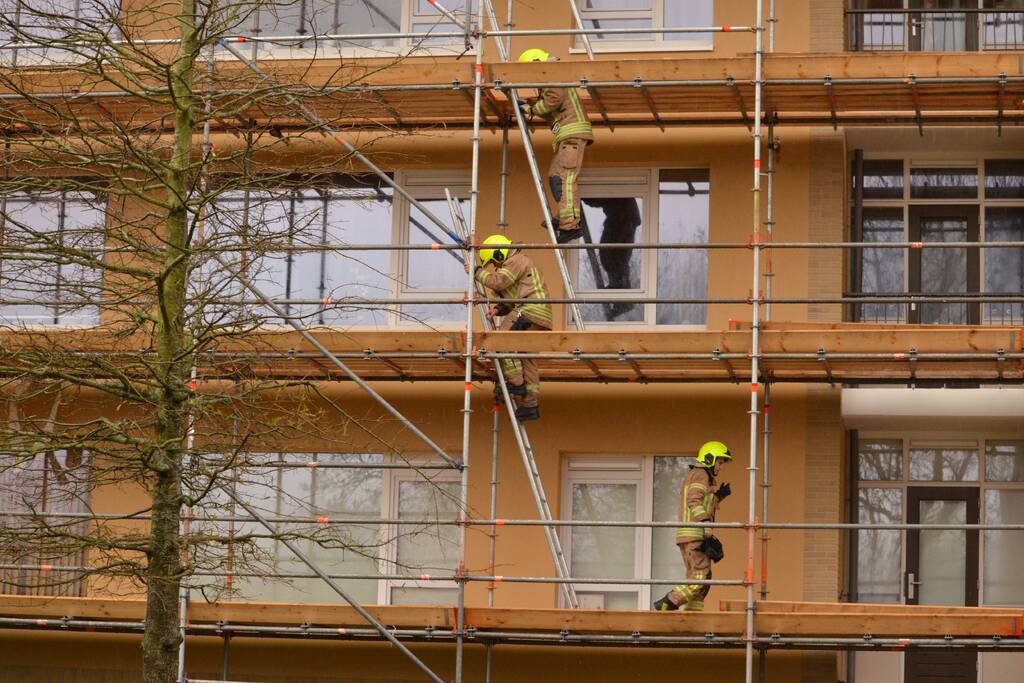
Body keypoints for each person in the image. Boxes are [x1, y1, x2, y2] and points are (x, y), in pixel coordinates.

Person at [517, 48, 595, 245]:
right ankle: (565, 217)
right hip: (567, 136)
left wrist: (531, 109)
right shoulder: (551, 77)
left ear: (537, 63)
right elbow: (551, 104)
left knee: (564, 179)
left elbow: (553, 99)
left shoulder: (551, 72)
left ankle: (571, 225)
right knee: (555, 176)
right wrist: (530, 104)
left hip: (572, 135)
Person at [475, 234, 553, 422]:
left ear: (499, 253)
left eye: (494, 262)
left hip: (529, 311)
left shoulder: (516, 260)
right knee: (528, 359)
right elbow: (512, 294)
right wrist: (499, 309)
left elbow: (498, 282)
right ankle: (531, 405)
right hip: (540, 316)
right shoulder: (519, 263)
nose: (495, 266)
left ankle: (516, 382)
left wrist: (477, 272)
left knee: (500, 341)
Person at [653, 441, 732, 612]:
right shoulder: (700, 474)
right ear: (709, 459)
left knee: (701, 583)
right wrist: (706, 523)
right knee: (700, 579)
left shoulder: (700, 476)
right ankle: (668, 602)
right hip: (695, 535)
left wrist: (718, 497)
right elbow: (694, 501)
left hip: (692, 535)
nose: (721, 467)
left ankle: (693, 617)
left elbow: (703, 502)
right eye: (719, 462)